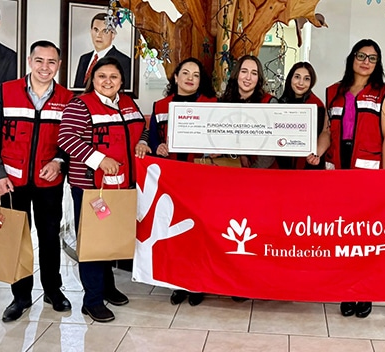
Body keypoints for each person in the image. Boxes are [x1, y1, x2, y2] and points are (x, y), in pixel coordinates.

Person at [0, 40, 73, 322]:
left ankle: (53, 290)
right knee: (16, 240)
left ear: (58, 65)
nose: (45, 67)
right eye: (39, 61)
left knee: (48, 238)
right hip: (11, 183)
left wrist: (59, 162)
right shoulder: (6, 92)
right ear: (30, 62)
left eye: (51, 62)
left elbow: (72, 140)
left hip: (49, 183)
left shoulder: (68, 99)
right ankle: (20, 297)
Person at [58, 57, 142, 322]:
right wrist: (99, 159)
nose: (108, 82)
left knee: (111, 240)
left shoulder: (128, 103)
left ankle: (107, 287)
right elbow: (66, 138)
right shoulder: (80, 105)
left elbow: (144, 129)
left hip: (123, 186)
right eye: (102, 76)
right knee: (94, 243)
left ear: (121, 81)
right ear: (92, 79)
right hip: (91, 188)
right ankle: (91, 300)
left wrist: (143, 142)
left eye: (114, 77)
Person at [322, 39, 385, 318]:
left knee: (365, 236)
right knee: (342, 234)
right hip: (337, 174)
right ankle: (346, 289)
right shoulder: (333, 92)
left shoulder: (383, 93)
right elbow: (328, 132)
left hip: (369, 176)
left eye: (372, 58)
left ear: (377, 64)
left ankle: (364, 291)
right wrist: (316, 152)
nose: (366, 61)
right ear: (351, 58)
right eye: (361, 55)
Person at [135, 57, 217, 306]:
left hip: (200, 179)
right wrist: (155, 145)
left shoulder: (212, 104)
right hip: (169, 181)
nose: (190, 78)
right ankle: (178, 283)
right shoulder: (160, 105)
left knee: (199, 233)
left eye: (196, 74)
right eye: (185, 73)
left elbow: (217, 139)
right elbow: (150, 138)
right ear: (176, 77)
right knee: (174, 233)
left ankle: (197, 284)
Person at [219, 55, 279, 169]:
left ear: (259, 78)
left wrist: (252, 172)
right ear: (237, 74)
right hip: (231, 168)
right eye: (244, 71)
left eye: (254, 73)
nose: (248, 77)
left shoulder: (269, 103)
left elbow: (271, 147)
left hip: (262, 172)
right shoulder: (225, 102)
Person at [277, 62, 328, 170]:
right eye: (297, 77)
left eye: (306, 79)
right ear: (290, 78)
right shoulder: (282, 103)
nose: (301, 83)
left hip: (308, 166)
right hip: (283, 167)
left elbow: (322, 135)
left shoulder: (316, 106)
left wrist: (315, 156)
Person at [73, 13, 132, 89]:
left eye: (105, 31)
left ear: (113, 34)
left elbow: (123, 93)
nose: (99, 35)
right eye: (96, 30)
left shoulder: (124, 61)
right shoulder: (84, 58)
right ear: (91, 32)